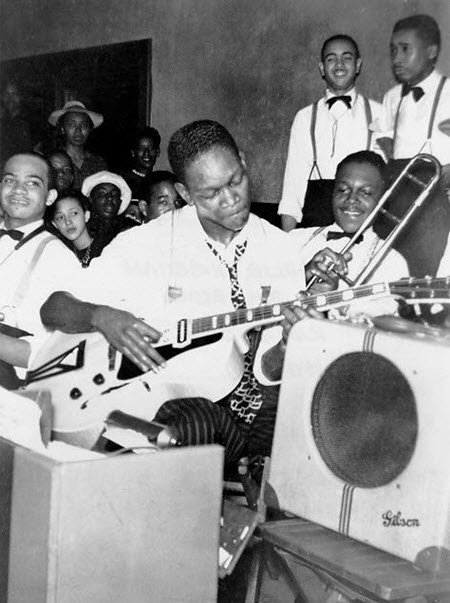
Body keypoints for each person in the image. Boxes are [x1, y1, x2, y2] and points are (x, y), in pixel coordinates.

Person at [40, 120, 303, 464]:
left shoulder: (280, 250)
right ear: (184, 192)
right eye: (210, 193)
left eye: (235, 180)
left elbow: (269, 372)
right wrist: (100, 316)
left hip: (256, 408)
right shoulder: (147, 243)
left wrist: (288, 344)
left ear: (242, 160)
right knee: (194, 428)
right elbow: (53, 308)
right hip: (175, 409)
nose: (231, 199)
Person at [371, 14, 450, 276]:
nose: (397, 58)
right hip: (399, 190)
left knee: (427, 271)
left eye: (405, 49)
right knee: (390, 267)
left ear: (431, 51)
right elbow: (382, 140)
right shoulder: (392, 97)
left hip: (437, 197)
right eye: (393, 50)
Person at [278, 34, 381, 232]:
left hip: (365, 223)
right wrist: (287, 247)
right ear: (322, 68)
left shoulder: (380, 114)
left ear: (358, 65)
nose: (339, 64)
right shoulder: (304, 118)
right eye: (331, 58)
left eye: (347, 57)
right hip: (316, 222)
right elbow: (293, 189)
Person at [289, 150, 408, 317]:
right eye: (343, 190)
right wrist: (302, 275)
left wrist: (332, 307)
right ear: (332, 193)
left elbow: (380, 334)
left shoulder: (392, 263)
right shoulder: (295, 240)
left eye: (366, 192)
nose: (352, 199)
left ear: (383, 201)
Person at [0, 152, 80, 387]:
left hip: (12, 392)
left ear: (50, 197)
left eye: (32, 183)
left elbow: (56, 354)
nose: (18, 190)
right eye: (10, 180)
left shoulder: (59, 259)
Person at [48, 100, 107, 189]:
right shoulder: (54, 161)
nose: (78, 130)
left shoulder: (98, 163)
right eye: (72, 124)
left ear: (89, 130)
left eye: (84, 125)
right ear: (63, 129)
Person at [48, 189, 105, 268]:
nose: (68, 222)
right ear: (55, 224)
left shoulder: (106, 250)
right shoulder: (60, 255)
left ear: (86, 215)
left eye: (74, 213)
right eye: (60, 217)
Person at [81, 170, 131, 246]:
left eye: (115, 194)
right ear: (91, 199)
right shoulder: (82, 230)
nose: (109, 198)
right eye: (102, 193)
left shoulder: (129, 230)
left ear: (120, 202)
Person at [120, 126, 161, 201]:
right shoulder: (123, 182)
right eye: (141, 149)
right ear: (133, 152)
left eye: (150, 148)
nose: (146, 153)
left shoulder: (160, 182)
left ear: (157, 152)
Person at [0, 80, 34, 165]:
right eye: (6, 94)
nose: (10, 98)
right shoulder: (2, 121)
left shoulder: (31, 121)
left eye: (14, 94)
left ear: (21, 96)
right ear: (2, 97)